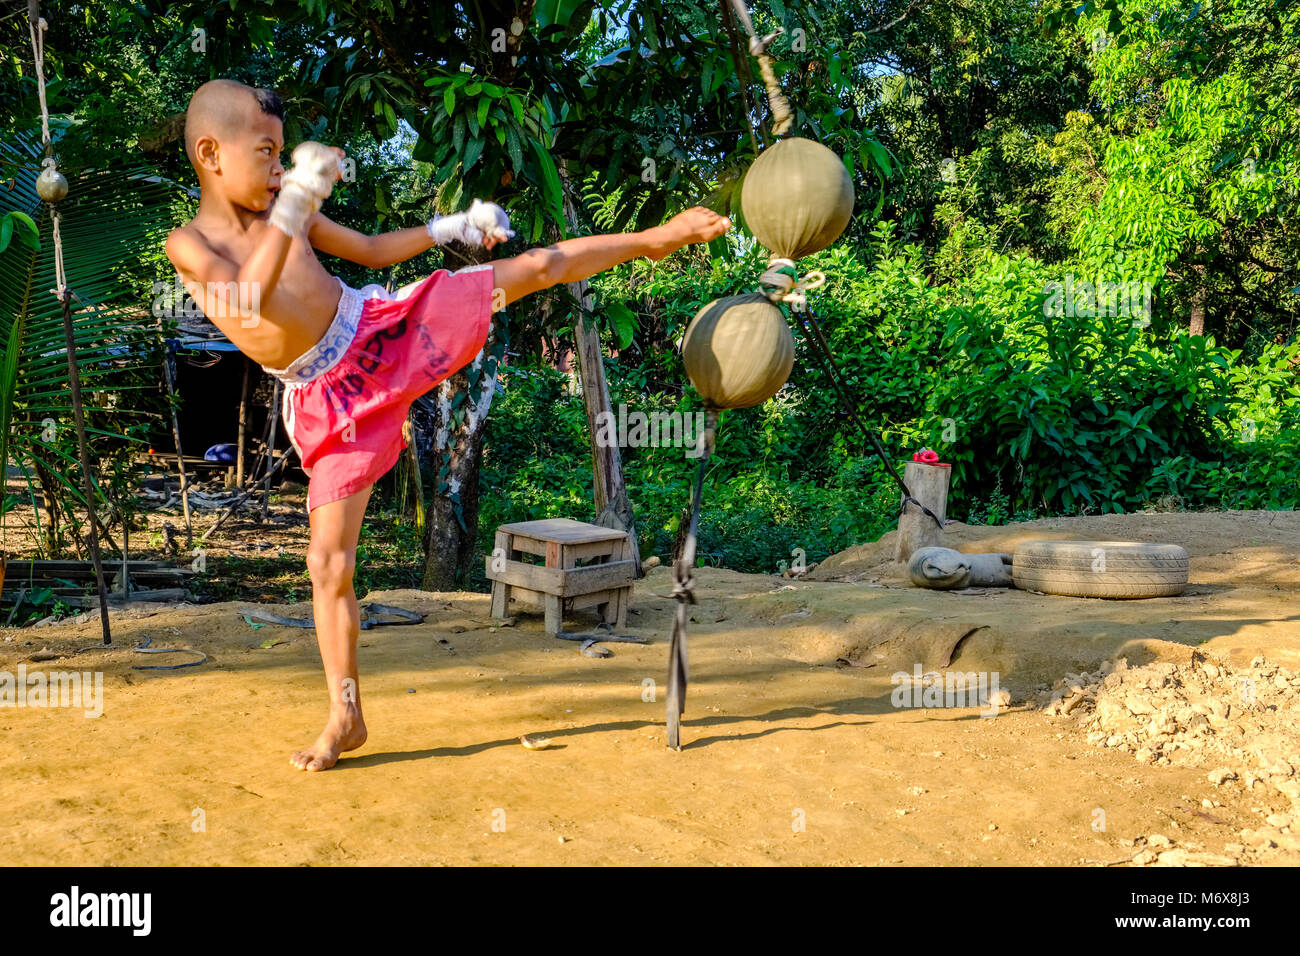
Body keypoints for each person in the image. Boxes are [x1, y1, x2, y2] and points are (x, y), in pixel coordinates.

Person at [164, 79, 731, 770]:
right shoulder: (190, 245)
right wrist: (295, 203)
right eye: (266, 153)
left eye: (285, 155)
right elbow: (249, 300)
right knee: (327, 564)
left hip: (378, 330)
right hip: (328, 396)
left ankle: (653, 239)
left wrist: (446, 229)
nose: (280, 168)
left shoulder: (291, 211)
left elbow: (369, 252)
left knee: (537, 266)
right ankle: (346, 714)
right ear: (211, 154)